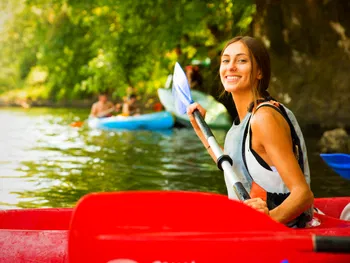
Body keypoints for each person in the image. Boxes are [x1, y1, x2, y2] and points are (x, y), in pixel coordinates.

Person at [187, 36, 314, 228]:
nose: (231, 67)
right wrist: (199, 128)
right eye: (226, 60)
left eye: (242, 60)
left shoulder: (263, 118)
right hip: (251, 228)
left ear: (259, 72)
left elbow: (303, 195)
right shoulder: (241, 123)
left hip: (282, 234)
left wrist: (265, 221)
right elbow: (232, 168)